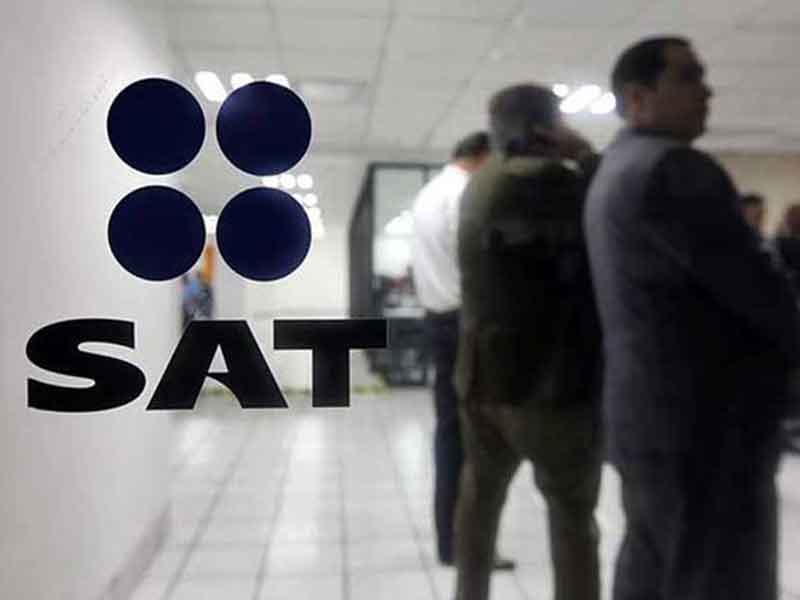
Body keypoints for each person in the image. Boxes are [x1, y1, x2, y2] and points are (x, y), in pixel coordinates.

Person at [584, 36, 800, 600]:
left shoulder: (614, 168)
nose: (707, 91)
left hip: (645, 416)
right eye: (688, 77)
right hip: (707, 425)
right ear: (638, 97)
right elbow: (762, 295)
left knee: (653, 567)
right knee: (717, 576)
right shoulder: (676, 169)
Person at [454, 84, 603, 600]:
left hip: (481, 377)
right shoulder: (553, 183)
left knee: (479, 500)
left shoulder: (479, 183)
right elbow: (625, 202)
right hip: (548, 386)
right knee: (572, 516)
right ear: (547, 129)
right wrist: (586, 155)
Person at [410, 131, 498, 568]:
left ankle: (452, 542)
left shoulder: (429, 193)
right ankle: (467, 547)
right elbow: (478, 264)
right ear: (483, 157)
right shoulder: (464, 194)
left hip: (438, 321)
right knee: (474, 439)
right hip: (465, 325)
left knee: (451, 434)